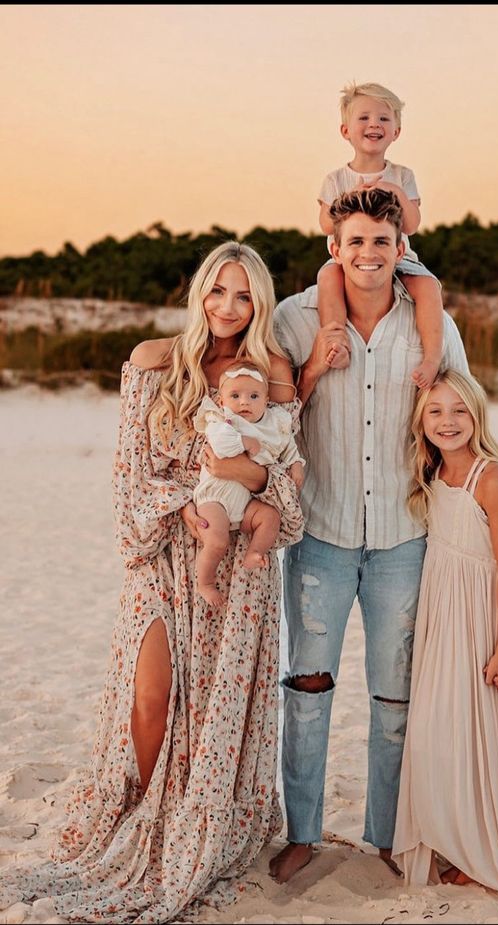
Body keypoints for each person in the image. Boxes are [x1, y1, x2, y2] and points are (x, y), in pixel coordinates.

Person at [0, 241, 304, 923]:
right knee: (150, 695)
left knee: (211, 711)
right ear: (199, 293)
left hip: (236, 567)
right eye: (218, 291)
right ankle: (138, 815)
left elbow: (286, 479)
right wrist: (187, 504)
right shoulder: (151, 361)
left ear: (259, 303)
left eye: (245, 295)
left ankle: (189, 821)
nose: (229, 307)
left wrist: (241, 482)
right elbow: (127, 477)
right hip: (163, 552)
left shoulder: (272, 372)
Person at [268, 187, 470, 884]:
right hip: (319, 531)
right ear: (334, 247)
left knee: (394, 695)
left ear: (399, 248)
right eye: (354, 241)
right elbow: (268, 405)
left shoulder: (431, 326)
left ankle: (385, 832)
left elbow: (462, 417)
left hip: (401, 535)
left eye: (381, 241)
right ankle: (301, 830)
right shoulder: (296, 318)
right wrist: (316, 366)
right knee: (308, 686)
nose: (367, 253)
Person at [392, 369, 498, 900]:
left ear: (476, 414)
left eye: (459, 411)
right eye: (436, 412)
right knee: (438, 731)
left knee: (477, 729)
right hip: (440, 615)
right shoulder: (431, 473)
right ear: (421, 422)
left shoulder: (492, 477)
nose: (448, 421)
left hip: (481, 618)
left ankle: (479, 851)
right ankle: (451, 844)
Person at [316, 81, 444, 389]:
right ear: (346, 130)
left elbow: (411, 225)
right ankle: (337, 342)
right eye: (364, 118)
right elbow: (324, 224)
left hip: (399, 259)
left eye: (384, 119)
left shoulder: (402, 175)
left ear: (396, 131)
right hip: (350, 260)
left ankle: (432, 357)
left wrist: (395, 191)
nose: (374, 124)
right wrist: (348, 199)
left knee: (428, 286)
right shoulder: (336, 178)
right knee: (327, 279)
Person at [193, 359, 305, 603]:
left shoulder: (274, 424)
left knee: (269, 517)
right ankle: (205, 582)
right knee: (217, 540)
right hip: (215, 498)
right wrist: (243, 442)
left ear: (266, 400)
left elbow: (287, 448)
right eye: (235, 395)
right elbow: (219, 445)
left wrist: (296, 464)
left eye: (254, 396)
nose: (244, 401)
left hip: (245, 503)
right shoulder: (222, 420)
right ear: (222, 401)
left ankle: (255, 552)